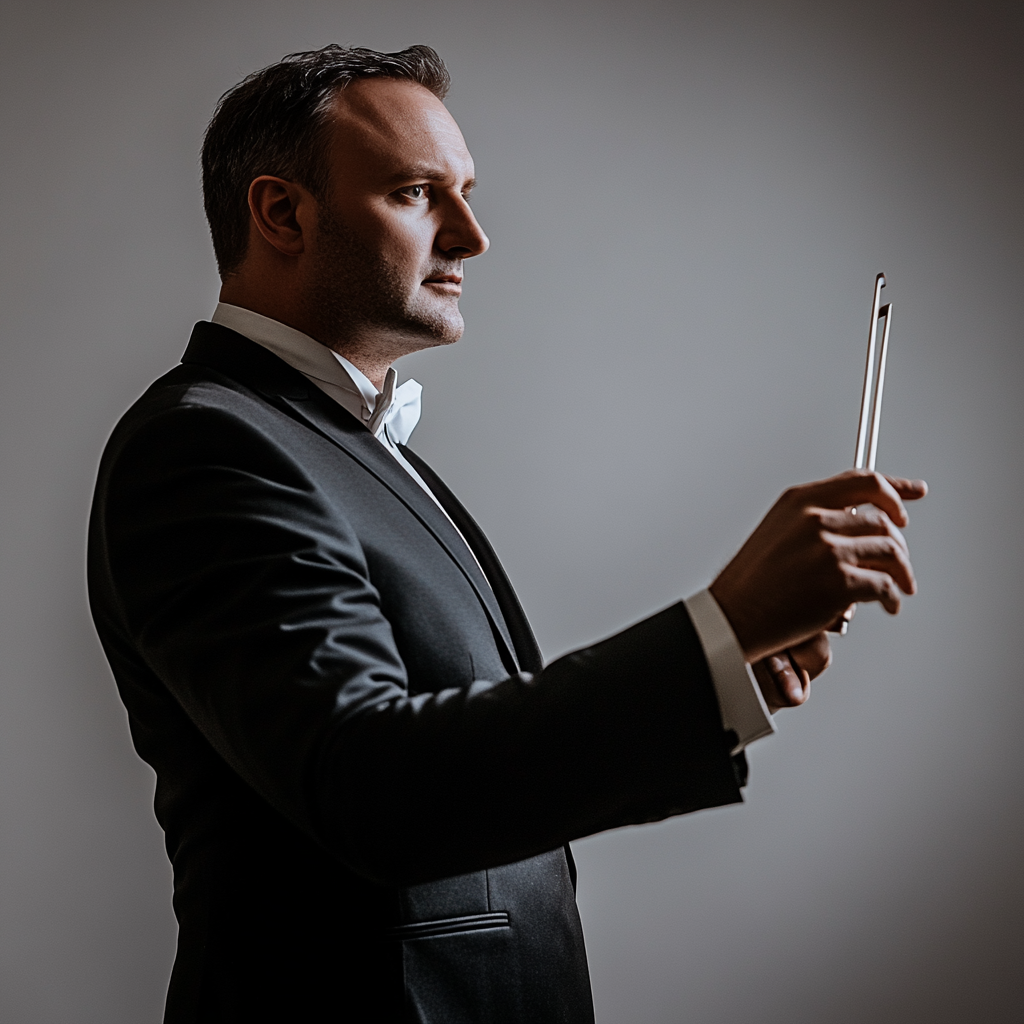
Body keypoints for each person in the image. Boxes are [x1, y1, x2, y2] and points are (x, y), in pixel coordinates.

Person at [87, 44, 926, 1024]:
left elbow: (460, 749)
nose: (473, 236)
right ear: (281, 214)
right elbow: (370, 786)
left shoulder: (351, 448)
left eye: (467, 194)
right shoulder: (206, 446)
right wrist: (718, 625)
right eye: (416, 194)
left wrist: (726, 671)